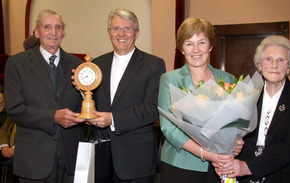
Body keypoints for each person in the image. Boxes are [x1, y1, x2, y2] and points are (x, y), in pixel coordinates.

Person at [215, 35, 290, 182]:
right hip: (243, 176)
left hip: (283, 175)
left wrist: (247, 167)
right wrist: (230, 149)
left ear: (288, 67)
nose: (274, 65)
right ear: (260, 65)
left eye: (281, 60)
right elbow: (231, 131)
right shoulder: (244, 93)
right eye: (269, 59)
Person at [82, 8, 166, 183]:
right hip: (101, 156)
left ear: (136, 33)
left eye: (127, 29)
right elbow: (92, 103)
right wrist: (83, 93)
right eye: (116, 28)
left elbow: (152, 109)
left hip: (136, 159)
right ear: (109, 33)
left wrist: (113, 119)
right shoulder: (96, 64)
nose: (121, 34)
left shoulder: (153, 64)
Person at [158, 17, 244, 183]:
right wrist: (206, 154)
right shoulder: (170, 80)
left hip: (221, 165)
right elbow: (169, 128)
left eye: (202, 42)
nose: (196, 49)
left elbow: (237, 123)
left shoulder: (229, 79)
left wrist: (237, 142)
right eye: (189, 43)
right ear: (181, 49)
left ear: (210, 46)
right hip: (181, 164)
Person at [4, 9, 86, 183]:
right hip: (33, 158)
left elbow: (86, 105)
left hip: (70, 156)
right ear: (37, 32)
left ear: (63, 32)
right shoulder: (17, 64)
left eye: (58, 27)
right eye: (47, 27)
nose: (53, 32)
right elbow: (14, 108)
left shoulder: (79, 65)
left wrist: (85, 97)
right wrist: (53, 117)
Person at [0, 116, 19, 183]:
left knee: (13, 163)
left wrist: (14, 148)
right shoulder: (13, 112)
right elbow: (4, 128)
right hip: (8, 147)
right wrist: (4, 146)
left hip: (25, 149)